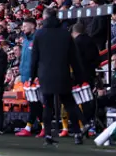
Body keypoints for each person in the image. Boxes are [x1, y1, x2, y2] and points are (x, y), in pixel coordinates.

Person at [30, 8, 89, 146]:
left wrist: (31, 76)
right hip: (63, 73)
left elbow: (35, 58)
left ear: (45, 17)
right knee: (69, 103)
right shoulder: (65, 34)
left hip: (45, 74)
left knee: (48, 105)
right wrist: (79, 76)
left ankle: (48, 134)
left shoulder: (39, 34)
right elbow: (74, 57)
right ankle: (77, 133)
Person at [15, 18, 44, 137]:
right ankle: (29, 127)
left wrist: (37, 75)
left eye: (25, 26)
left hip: (35, 77)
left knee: (35, 103)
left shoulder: (38, 38)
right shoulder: (25, 41)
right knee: (32, 103)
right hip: (25, 76)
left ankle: (43, 126)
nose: (23, 28)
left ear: (33, 26)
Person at [71, 22, 100, 132]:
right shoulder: (91, 41)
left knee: (80, 100)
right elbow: (97, 59)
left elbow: (74, 60)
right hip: (90, 74)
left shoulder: (76, 42)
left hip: (79, 76)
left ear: (74, 32)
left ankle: (84, 123)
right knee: (89, 98)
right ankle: (90, 123)